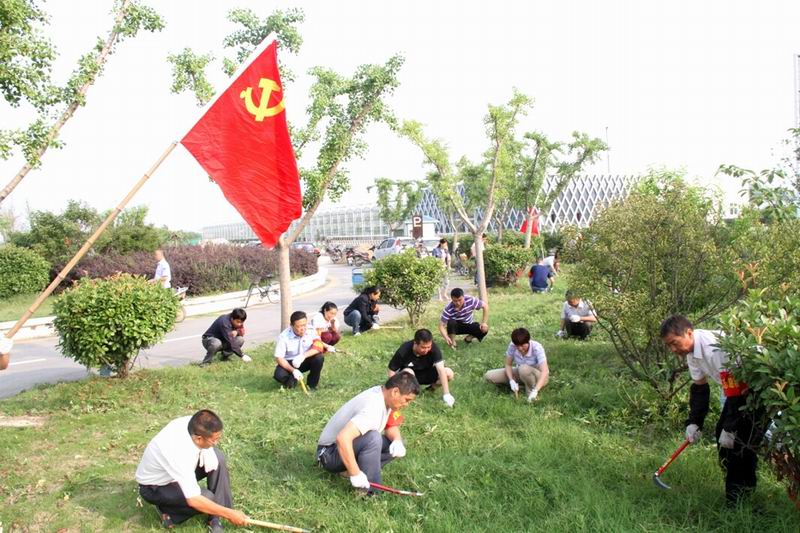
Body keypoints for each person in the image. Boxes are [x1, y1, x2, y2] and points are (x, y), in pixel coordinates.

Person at [660, 315, 765, 505]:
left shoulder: (714, 347)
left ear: (689, 333)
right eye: (669, 346)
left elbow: (739, 389)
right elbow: (699, 389)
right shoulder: (691, 353)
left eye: (674, 343)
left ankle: (738, 501)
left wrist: (731, 427)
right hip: (737, 392)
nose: (673, 350)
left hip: (759, 390)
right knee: (721, 436)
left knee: (741, 444)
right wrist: (694, 422)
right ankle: (735, 487)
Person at [135, 410, 248, 532]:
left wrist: (227, 511)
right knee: (207, 497)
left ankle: (215, 519)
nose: (216, 443)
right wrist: (229, 514)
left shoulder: (193, 423)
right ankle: (169, 512)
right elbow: (193, 499)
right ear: (198, 439)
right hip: (155, 487)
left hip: (174, 473)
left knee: (218, 458)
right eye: (214, 440)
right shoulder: (178, 453)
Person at [316, 372, 419, 494]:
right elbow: (343, 438)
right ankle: (371, 492)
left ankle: (348, 472)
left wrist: (397, 440)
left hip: (340, 449)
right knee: (373, 438)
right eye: (407, 400)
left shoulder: (386, 397)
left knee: (397, 443)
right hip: (327, 454)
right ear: (395, 392)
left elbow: (391, 426)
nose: (406, 405)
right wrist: (355, 474)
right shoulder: (372, 407)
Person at [388, 329, 455, 407]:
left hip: (426, 373)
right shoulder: (404, 350)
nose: (426, 350)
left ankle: (430, 390)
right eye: (423, 347)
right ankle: (409, 394)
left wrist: (446, 393)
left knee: (449, 373)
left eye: (428, 347)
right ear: (415, 343)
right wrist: (392, 389)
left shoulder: (434, 348)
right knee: (408, 372)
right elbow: (391, 371)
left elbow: (441, 369)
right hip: (410, 377)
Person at [484, 328, 549, 403]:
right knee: (489, 375)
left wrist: (535, 391)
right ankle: (521, 385)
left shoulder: (537, 348)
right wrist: (511, 380)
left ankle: (531, 393)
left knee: (523, 369)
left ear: (528, 341)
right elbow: (508, 364)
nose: (520, 348)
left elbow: (545, 371)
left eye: (522, 345)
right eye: (517, 346)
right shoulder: (512, 346)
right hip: (520, 372)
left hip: (539, 377)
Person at [274, 310, 326, 390]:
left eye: (304, 325)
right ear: (292, 326)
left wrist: (303, 356)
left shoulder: (311, 330)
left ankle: (312, 385)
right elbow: (279, 357)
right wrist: (293, 370)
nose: (303, 328)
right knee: (279, 375)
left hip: (305, 359)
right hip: (290, 362)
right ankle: (292, 381)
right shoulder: (284, 337)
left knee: (319, 358)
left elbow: (319, 346)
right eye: (299, 326)